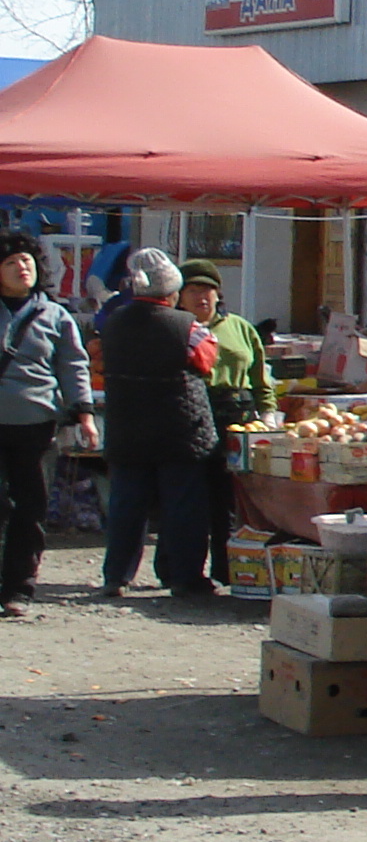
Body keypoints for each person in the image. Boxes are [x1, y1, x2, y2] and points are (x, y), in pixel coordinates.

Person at [101, 248, 219, 600]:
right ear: (172, 292)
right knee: (182, 506)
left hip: (127, 427)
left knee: (126, 505)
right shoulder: (188, 328)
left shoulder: (114, 322)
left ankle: (116, 576)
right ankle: (184, 578)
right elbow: (206, 362)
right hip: (178, 430)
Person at [0, 230, 92, 616]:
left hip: (35, 424)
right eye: (10, 262)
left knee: (29, 506)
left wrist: (84, 413)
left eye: (27, 261)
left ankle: (18, 588)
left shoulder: (54, 315)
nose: (22, 267)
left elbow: (73, 365)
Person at [180, 262, 272, 585]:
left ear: (219, 294)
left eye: (207, 290)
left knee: (229, 500)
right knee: (191, 497)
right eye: (192, 290)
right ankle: (185, 573)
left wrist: (268, 413)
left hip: (237, 418)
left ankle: (227, 569)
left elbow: (261, 378)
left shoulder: (241, 328)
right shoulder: (178, 329)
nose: (201, 297)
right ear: (179, 297)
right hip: (192, 415)